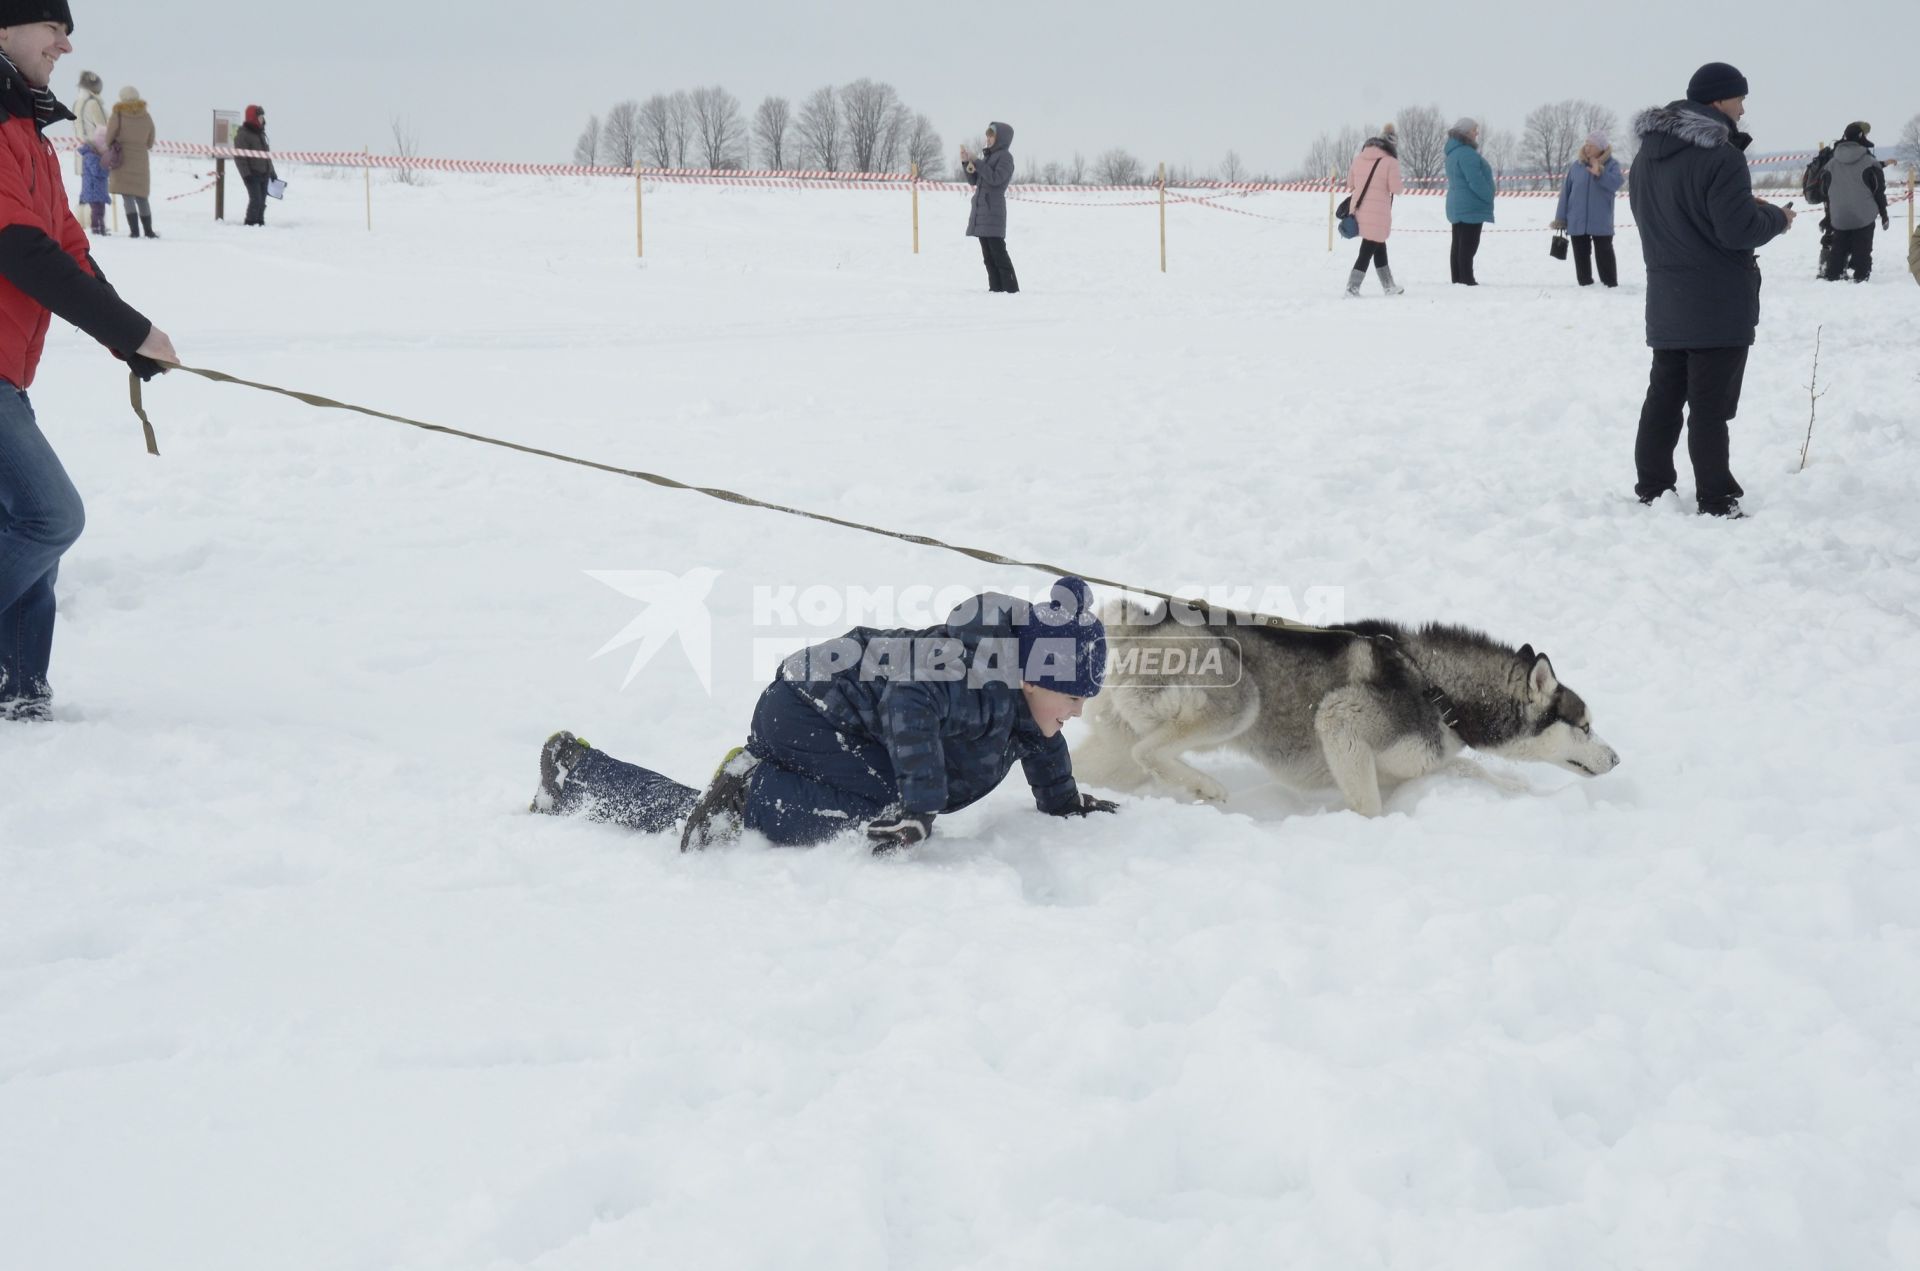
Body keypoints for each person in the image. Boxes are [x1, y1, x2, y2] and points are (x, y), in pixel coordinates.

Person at [530, 577, 1119, 852]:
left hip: (832, 713)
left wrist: (1065, 803)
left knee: (872, 811)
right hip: (808, 710)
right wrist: (919, 806)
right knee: (862, 822)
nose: (1079, 709)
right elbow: (909, 700)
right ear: (1032, 678)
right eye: (1072, 696)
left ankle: (578, 775)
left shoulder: (1020, 696)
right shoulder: (975, 678)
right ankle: (748, 793)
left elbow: (1042, 746)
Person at [0, 3, 179, 720]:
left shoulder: (32, 138)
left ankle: (20, 692)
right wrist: (125, 329)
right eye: (52, 27)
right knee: (49, 518)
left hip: (9, 370)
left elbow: (68, 248)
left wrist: (130, 340)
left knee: (26, 531)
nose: (65, 44)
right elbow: (18, 247)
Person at [1627, 62, 1793, 520]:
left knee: (1664, 397)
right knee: (1709, 406)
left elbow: (1672, 217)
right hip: (1717, 299)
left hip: (1667, 295)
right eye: (1740, 98)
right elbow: (1736, 230)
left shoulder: (1646, 156)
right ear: (1719, 101)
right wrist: (1777, 219)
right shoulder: (1721, 154)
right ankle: (1716, 498)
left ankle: (1653, 487)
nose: (1743, 109)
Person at [1551, 130, 1624, 287]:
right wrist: (1561, 218)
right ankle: (1585, 283)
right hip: (1577, 218)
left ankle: (1610, 283)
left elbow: (1616, 184)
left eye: (1591, 145)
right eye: (1586, 144)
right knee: (1580, 253)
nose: (1587, 147)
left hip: (1601, 219)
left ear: (1601, 148)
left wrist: (1600, 173)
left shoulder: (1612, 165)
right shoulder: (1576, 166)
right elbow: (1566, 193)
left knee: (1604, 251)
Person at [1819, 122, 1889, 283]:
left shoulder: (1831, 163)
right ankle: (1861, 275)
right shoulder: (1870, 162)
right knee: (1863, 248)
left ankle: (1833, 275)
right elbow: (1878, 190)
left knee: (1839, 246)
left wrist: (1830, 215)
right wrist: (1884, 214)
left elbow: (1824, 191)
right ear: (1861, 137)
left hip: (1839, 217)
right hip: (1864, 216)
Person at [1344, 122, 1405, 296]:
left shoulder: (1359, 158)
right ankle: (1352, 287)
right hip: (1378, 214)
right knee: (1368, 249)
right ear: (1392, 144)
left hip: (1360, 209)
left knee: (1378, 245)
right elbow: (1396, 189)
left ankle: (1388, 285)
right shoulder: (1390, 162)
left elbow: (1350, 184)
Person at [962, 121, 1016, 294]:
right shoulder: (989, 157)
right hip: (983, 211)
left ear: (1001, 138)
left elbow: (996, 179)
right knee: (988, 257)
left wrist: (977, 161)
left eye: (992, 135)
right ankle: (996, 290)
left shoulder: (1005, 157)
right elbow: (975, 181)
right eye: (988, 134)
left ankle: (1011, 290)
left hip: (993, 211)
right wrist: (966, 163)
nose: (988, 138)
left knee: (998, 254)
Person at [1444, 117, 1495, 285]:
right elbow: (1475, 181)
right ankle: (1467, 280)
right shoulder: (1467, 154)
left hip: (1457, 205)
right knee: (1468, 246)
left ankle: (1458, 279)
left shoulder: (1453, 153)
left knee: (1458, 245)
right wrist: (1489, 195)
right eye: (1474, 130)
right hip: (1471, 206)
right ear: (1466, 133)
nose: (1477, 133)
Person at [102, 81, 152, 238]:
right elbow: (150, 141)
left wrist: (111, 144)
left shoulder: (118, 114)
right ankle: (148, 230)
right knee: (142, 196)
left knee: (128, 195)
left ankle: (135, 231)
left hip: (123, 157)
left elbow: (109, 136)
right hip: (141, 159)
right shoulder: (146, 116)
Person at [68, 66, 104, 233]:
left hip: (80, 152)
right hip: (95, 152)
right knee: (95, 187)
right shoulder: (93, 104)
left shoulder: (77, 103)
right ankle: (94, 221)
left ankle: (81, 219)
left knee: (85, 187)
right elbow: (103, 127)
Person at [232, 103, 276, 227]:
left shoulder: (261, 134)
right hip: (252, 174)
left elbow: (266, 156)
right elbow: (240, 158)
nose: (262, 119)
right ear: (253, 117)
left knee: (262, 201)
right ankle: (250, 223)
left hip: (264, 173)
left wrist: (271, 171)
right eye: (260, 117)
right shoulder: (243, 135)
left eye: (262, 117)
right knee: (255, 200)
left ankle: (260, 222)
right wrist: (246, 174)